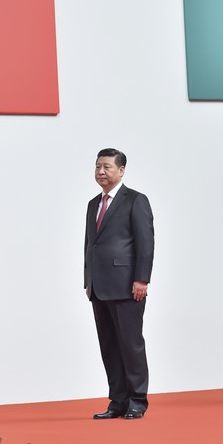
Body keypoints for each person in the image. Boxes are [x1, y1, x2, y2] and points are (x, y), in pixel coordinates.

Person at [84, 148, 154, 420]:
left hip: (127, 286)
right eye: (97, 167)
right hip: (99, 287)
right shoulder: (93, 204)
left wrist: (141, 279)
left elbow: (145, 243)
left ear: (121, 170)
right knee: (110, 347)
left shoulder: (135, 200)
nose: (101, 171)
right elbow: (90, 244)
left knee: (131, 344)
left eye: (107, 167)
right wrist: (87, 278)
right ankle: (118, 401)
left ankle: (137, 400)